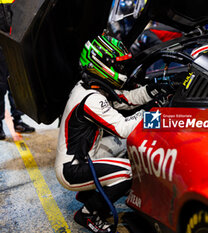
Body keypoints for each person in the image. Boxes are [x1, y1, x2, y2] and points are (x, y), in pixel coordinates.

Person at [55, 34, 173, 233]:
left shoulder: (89, 86)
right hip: (72, 169)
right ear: (100, 65)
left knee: (124, 145)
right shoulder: (91, 98)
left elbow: (124, 99)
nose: (122, 70)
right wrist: (154, 114)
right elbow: (124, 128)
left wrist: (153, 89)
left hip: (85, 155)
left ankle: (89, 194)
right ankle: (87, 214)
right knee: (127, 171)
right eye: (118, 65)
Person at [0, 0, 35, 140]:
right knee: (1, 84)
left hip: (15, 41)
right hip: (2, 42)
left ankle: (18, 120)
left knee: (16, 82)